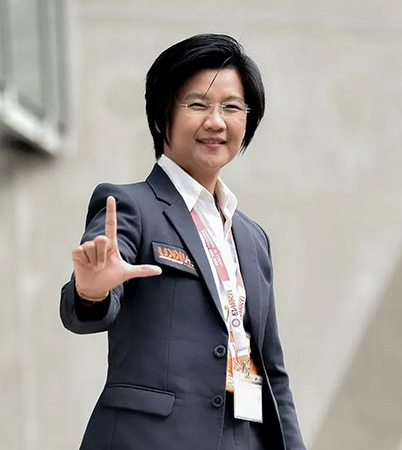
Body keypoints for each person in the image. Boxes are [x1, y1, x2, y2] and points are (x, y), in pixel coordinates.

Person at [60, 33, 306, 450]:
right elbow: (84, 312)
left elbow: (272, 370)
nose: (216, 121)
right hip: (151, 439)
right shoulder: (130, 206)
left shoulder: (252, 237)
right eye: (198, 105)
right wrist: (91, 291)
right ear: (161, 118)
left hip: (244, 436)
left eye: (231, 107)